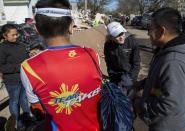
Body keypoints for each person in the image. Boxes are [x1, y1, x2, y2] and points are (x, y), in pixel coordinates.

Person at [20, 0, 102, 130]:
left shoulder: (29, 67)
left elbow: (38, 108)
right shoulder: (92, 54)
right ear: (71, 26)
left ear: (37, 29)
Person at [136, 8, 185, 131]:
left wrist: (140, 105)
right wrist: (144, 83)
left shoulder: (174, 62)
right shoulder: (166, 50)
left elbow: (170, 104)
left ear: (161, 31)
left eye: (150, 28)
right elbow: (163, 85)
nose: (148, 33)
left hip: (168, 126)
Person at [0, 24, 31, 130]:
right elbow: (2, 67)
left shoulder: (21, 45)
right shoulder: (2, 48)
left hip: (23, 79)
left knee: (24, 100)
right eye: (12, 35)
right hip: (12, 81)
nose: (16, 36)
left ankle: (28, 120)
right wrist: (19, 66)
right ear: (5, 35)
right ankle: (18, 123)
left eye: (16, 34)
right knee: (14, 101)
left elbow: (26, 59)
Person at [104, 22, 140, 95]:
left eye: (122, 34)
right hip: (116, 75)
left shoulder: (132, 42)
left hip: (129, 75)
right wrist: (112, 76)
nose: (121, 37)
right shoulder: (108, 45)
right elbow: (109, 63)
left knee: (129, 96)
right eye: (117, 36)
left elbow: (136, 63)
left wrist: (131, 78)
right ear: (111, 37)